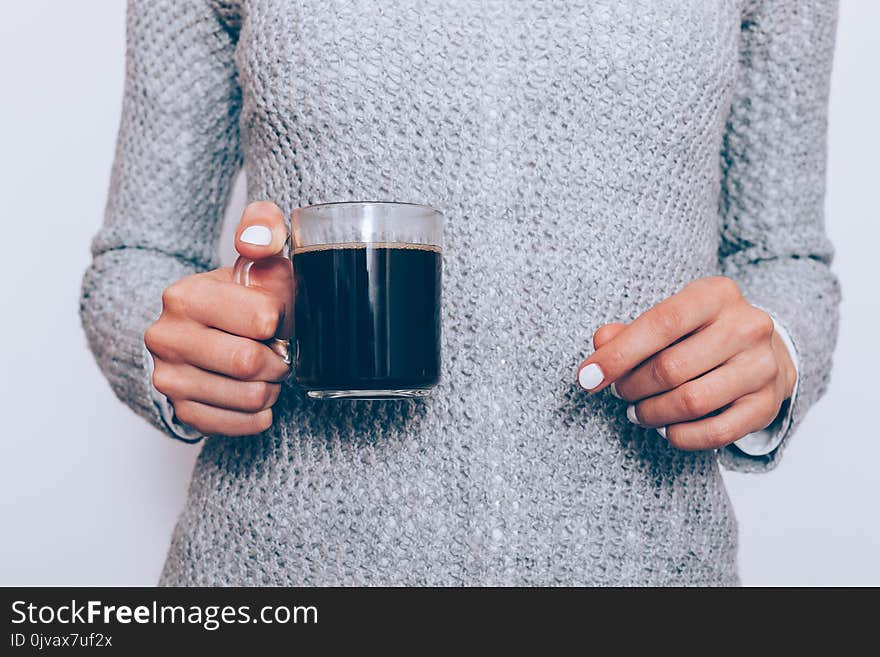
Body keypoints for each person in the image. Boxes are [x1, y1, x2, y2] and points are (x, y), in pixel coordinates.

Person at [81, 0, 840, 586]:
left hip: (651, 571)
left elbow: (784, 256)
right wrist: (177, 345)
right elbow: (137, 256)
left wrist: (774, 352)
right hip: (277, 571)